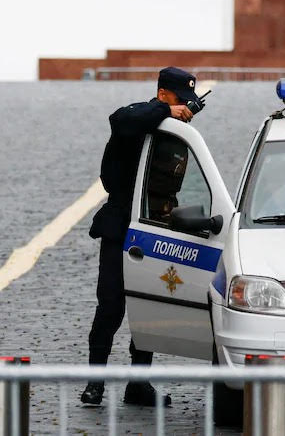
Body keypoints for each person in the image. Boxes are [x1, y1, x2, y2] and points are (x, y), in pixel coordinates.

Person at [80, 66, 202, 407]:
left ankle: (139, 382)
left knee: (148, 310)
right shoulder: (140, 119)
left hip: (157, 228)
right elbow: (120, 119)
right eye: (180, 101)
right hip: (121, 227)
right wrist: (165, 111)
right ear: (163, 94)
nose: (185, 109)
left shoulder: (174, 133)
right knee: (111, 307)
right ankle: (95, 383)